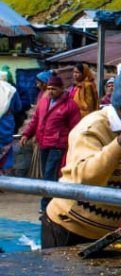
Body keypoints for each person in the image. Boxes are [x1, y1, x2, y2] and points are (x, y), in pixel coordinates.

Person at [42, 65, 121, 249]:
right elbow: (85, 176)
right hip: (68, 226)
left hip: (103, 233)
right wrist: (119, 143)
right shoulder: (92, 127)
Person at [20, 76, 81, 213]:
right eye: (49, 88)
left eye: (54, 88)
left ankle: (46, 206)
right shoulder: (44, 102)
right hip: (43, 144)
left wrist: (73, 145)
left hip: (58, 145)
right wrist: (26, 134)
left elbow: (75, 127)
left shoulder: (70, 105)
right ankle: (52, 204)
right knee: (48, 176)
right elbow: (35, 120)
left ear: (61, 89)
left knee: (49, 176)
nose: (51, 91)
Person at [0, 73, 22, 175]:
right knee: (7, 148)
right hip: (6, 122)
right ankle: (5, 177)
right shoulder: (12, 90)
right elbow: (18, 107)